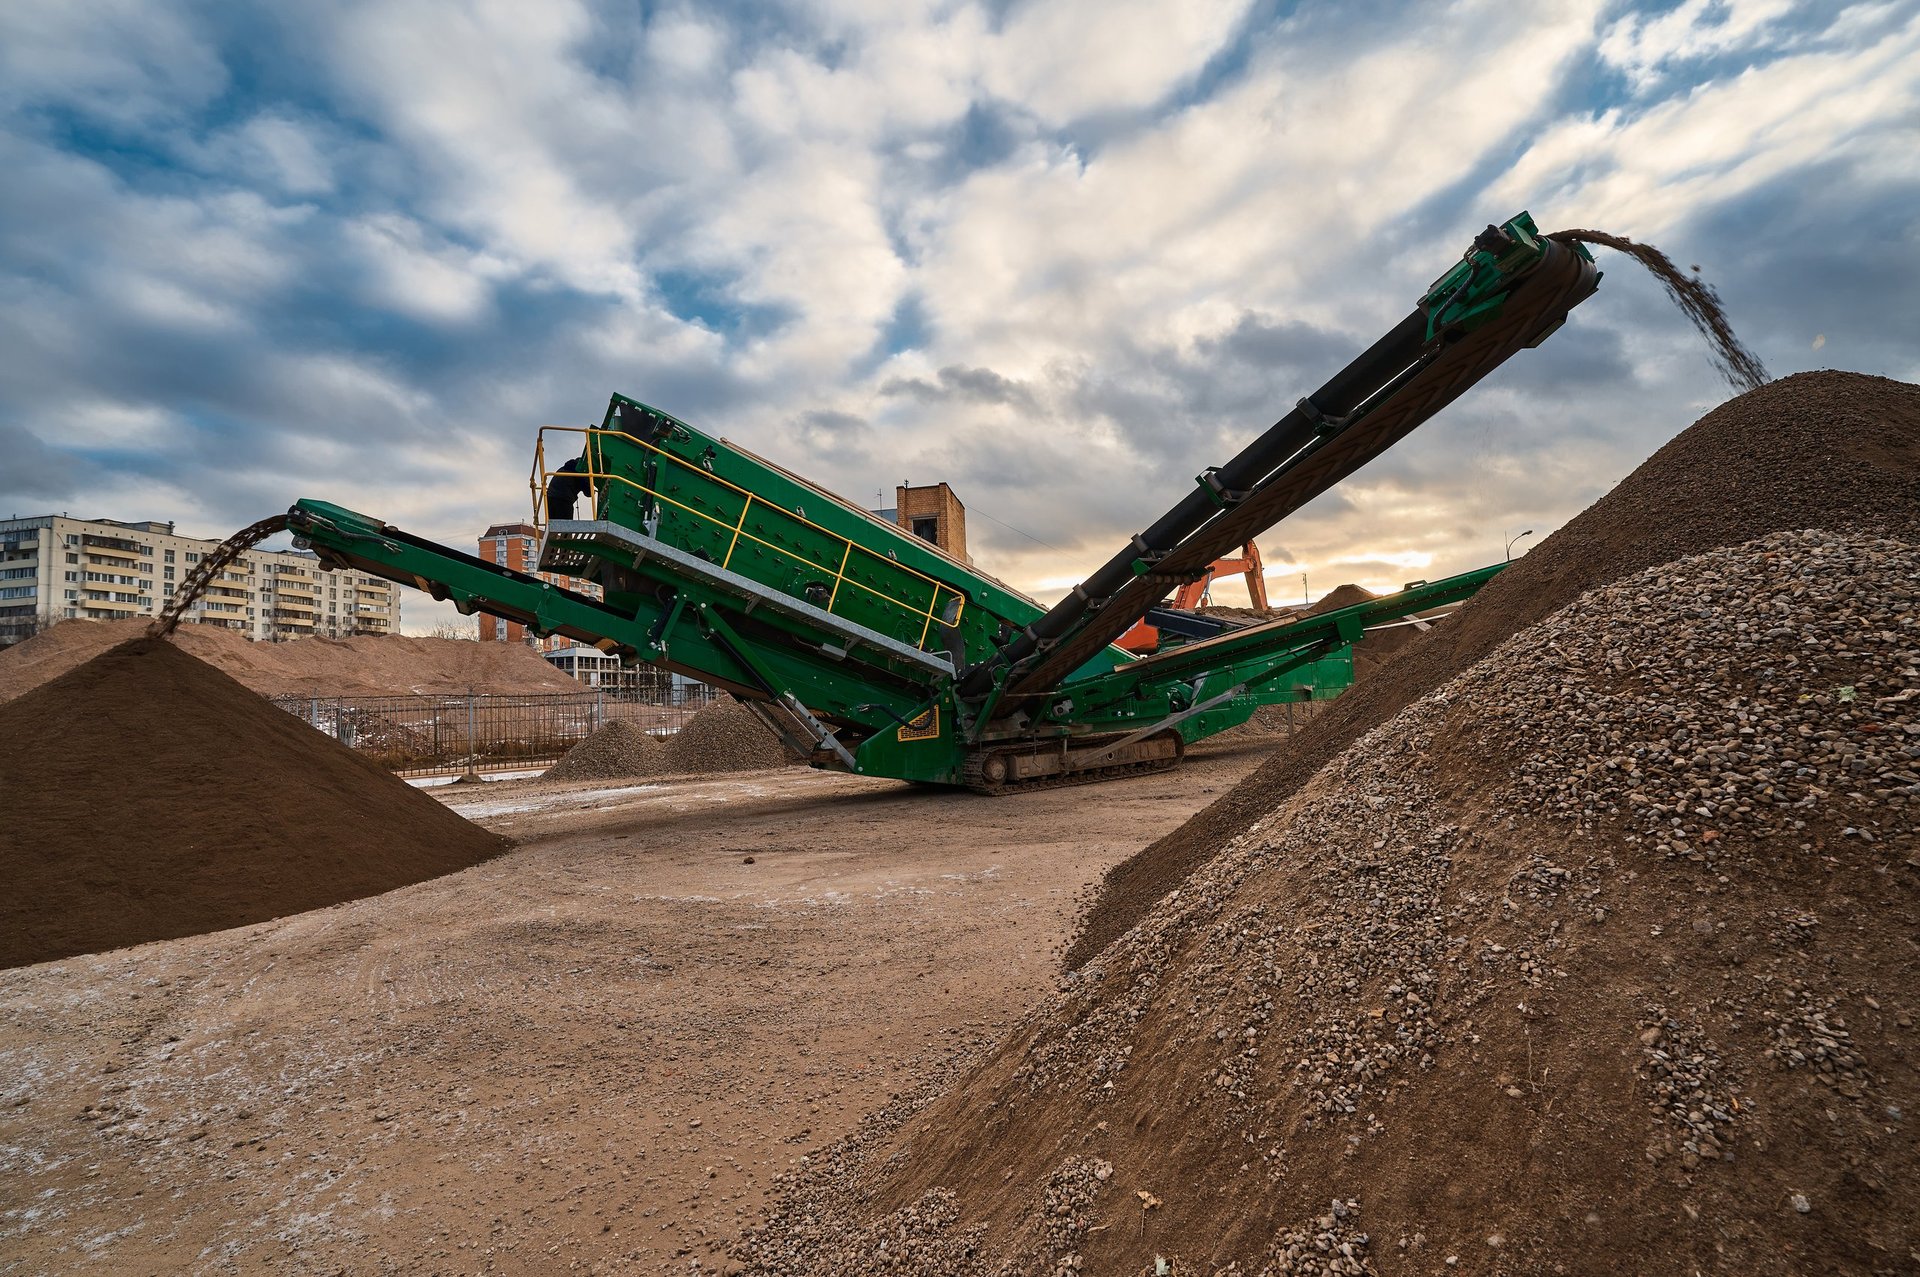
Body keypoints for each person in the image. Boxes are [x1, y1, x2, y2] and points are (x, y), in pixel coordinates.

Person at [546, 455, 592, 521]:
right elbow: (589, 493)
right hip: (564, 500)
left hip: (550, 498)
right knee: (566, 527)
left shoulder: (565, 468)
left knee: (552, 526)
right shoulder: (580, 471)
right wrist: (590, 479)